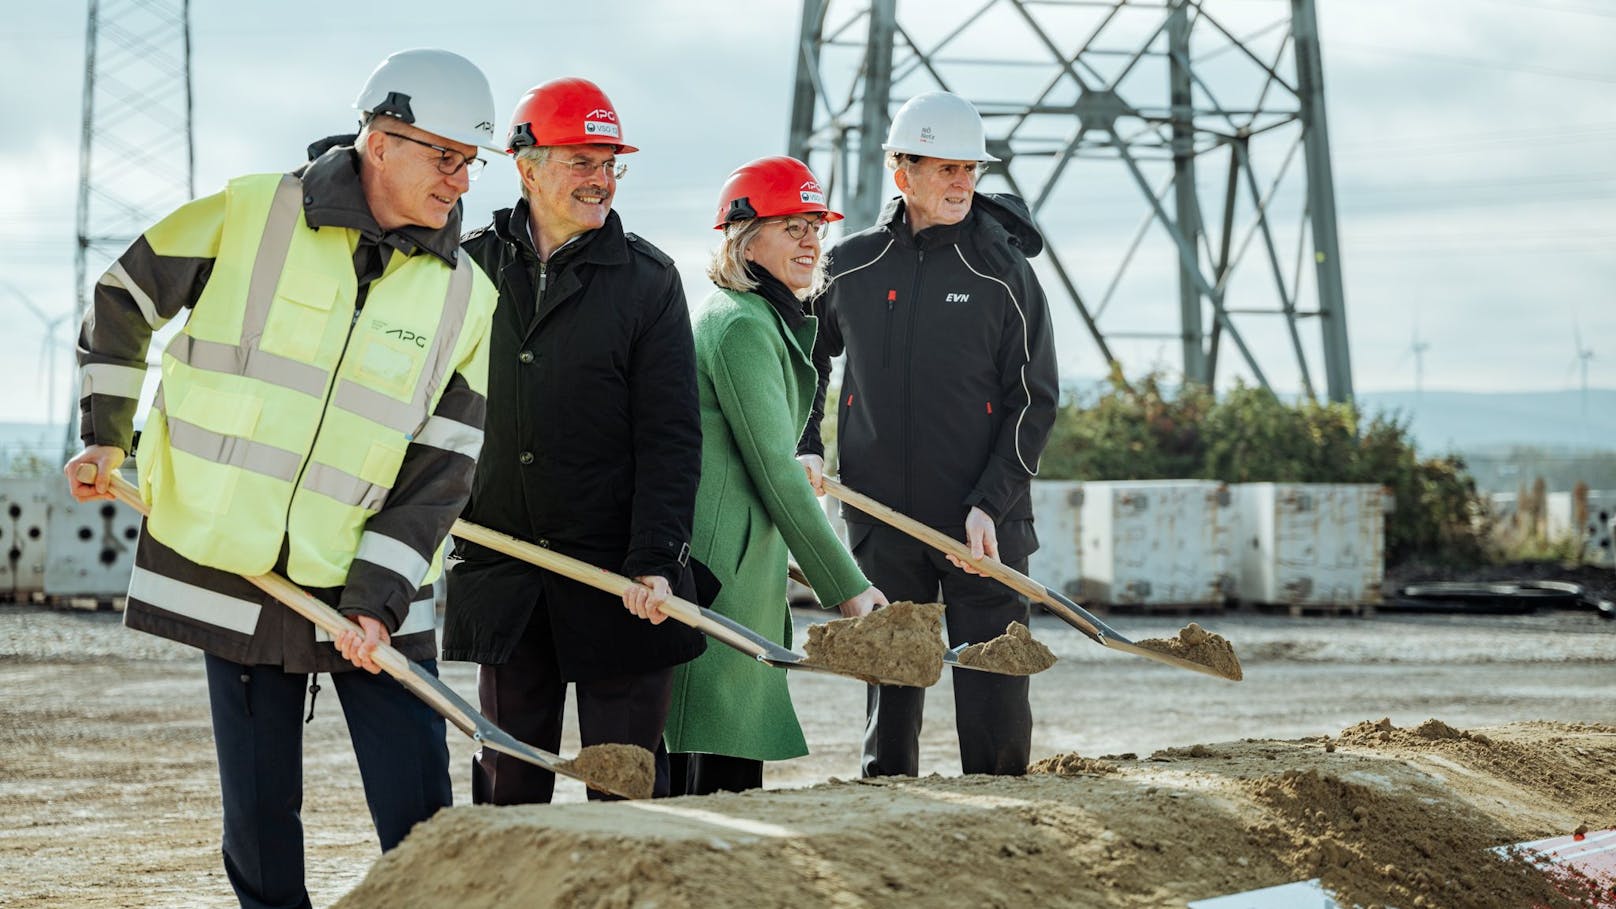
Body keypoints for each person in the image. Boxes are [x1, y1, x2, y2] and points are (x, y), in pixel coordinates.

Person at [64, 48, 502, 909]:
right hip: (237, 555)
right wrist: (104, 435)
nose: (460, 180)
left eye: (469, 161)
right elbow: (124, 295)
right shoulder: (251, 213)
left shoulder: (467, 296)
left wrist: (379, 597)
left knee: (418, 796)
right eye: (443, 155)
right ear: (381, 140)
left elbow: (444, 462)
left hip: (368, 579)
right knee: (261, 809)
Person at [442, 78, 705, 803]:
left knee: (622, 787)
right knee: (509, 789)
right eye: (581, 161)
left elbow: (671, 435)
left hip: (620, 581)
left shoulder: (648, 281)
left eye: (609, 163)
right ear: (526, 167)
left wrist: (655, 559)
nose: (600, 180)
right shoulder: (465, 267)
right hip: (505, 571)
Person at [797, 91, 1060, 778]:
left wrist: (990, 502)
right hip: (883, 524)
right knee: (889, 710)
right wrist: (808, 443)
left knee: (996, 702)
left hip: (986, 525)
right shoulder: (849, 266)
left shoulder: (1004, 274)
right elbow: (804, 362)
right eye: (944, 168)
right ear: (900, 170)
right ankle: (887, 838)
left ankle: (1003, 833)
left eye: (969, 169)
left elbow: (1035, 400)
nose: (961, 183)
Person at [660, 157, 888, 795]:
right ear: (745, 238)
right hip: (717, 574)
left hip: (741, 564)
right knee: (712, 771)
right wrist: (847, 587)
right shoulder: (740, 326)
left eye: (815, 226)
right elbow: (775, 472)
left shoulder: (761, 319)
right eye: (791, 227)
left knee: (727, 765)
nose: (811, 241)